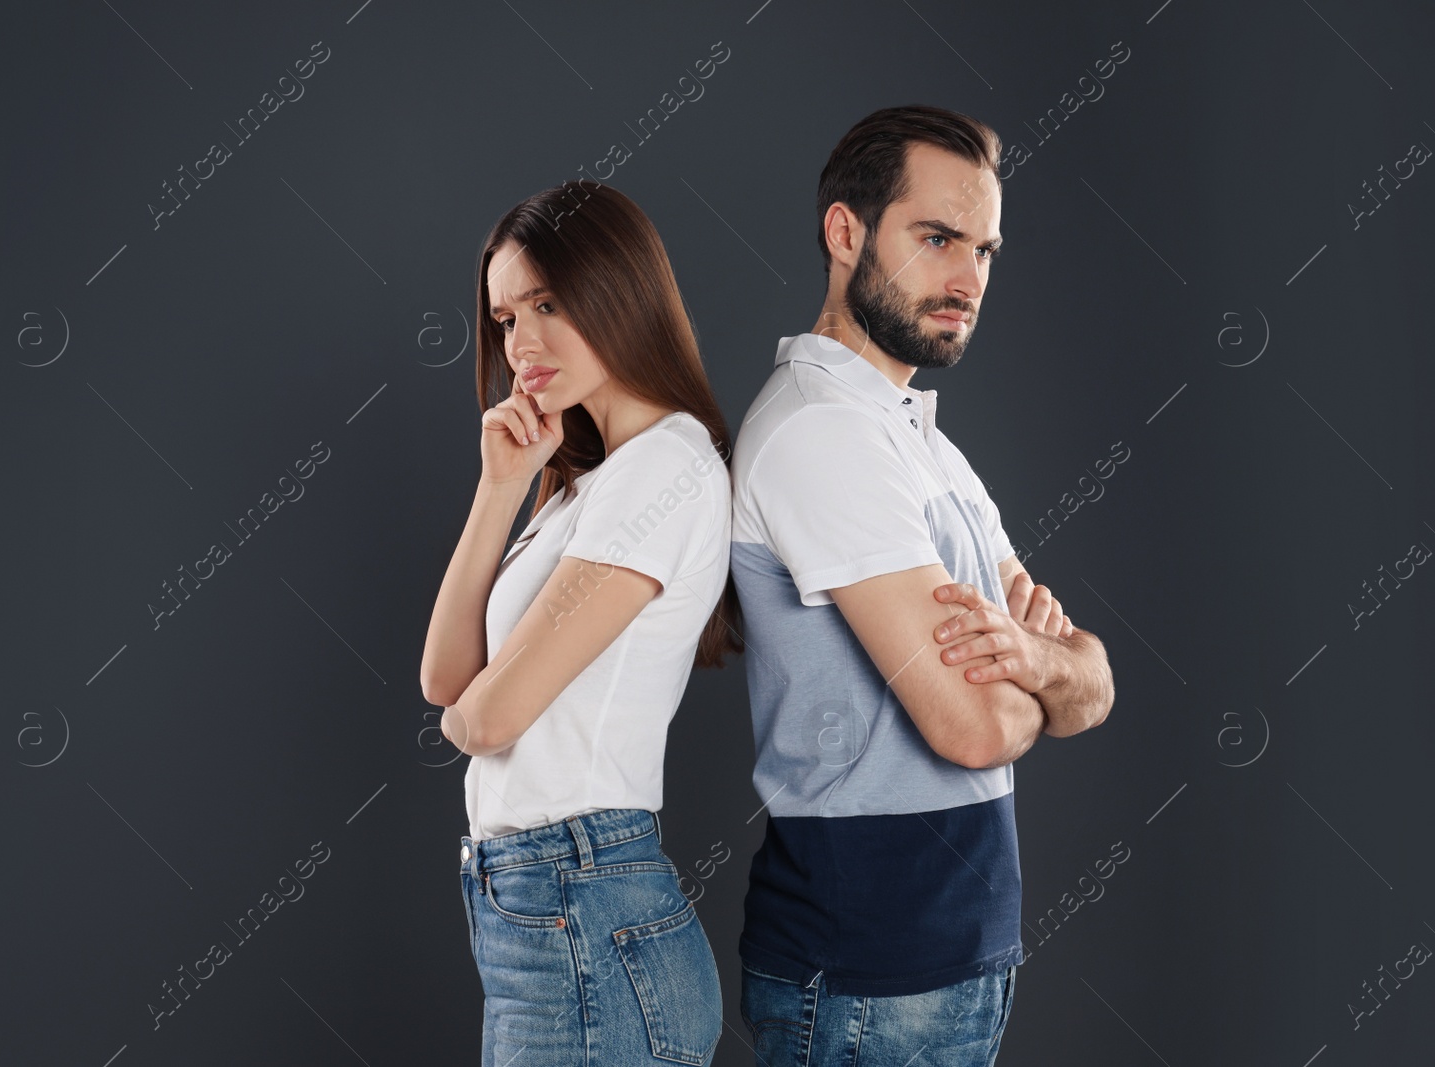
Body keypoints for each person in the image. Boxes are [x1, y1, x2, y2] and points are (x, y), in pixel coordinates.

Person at [729, 105, 1117, 1065]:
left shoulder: (918, 440)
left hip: (949, 957)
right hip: (867, 971)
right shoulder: (823, 432)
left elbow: (1095, 678)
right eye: (937, 238)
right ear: (845, 232)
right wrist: (1041, 675)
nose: (967, 278)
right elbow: (976, 727)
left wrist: (1033, 663)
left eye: (984, 249)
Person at [421, 181, 739, 1066]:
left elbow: (484, 718)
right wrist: (500, 487)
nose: (520, 344)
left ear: (619, 288)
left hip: (581, 905)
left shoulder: (665, 467)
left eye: (547, 303)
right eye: (504, 319)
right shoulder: (590, 483)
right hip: (547, 914)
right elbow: (446, 681)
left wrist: (471, 718)